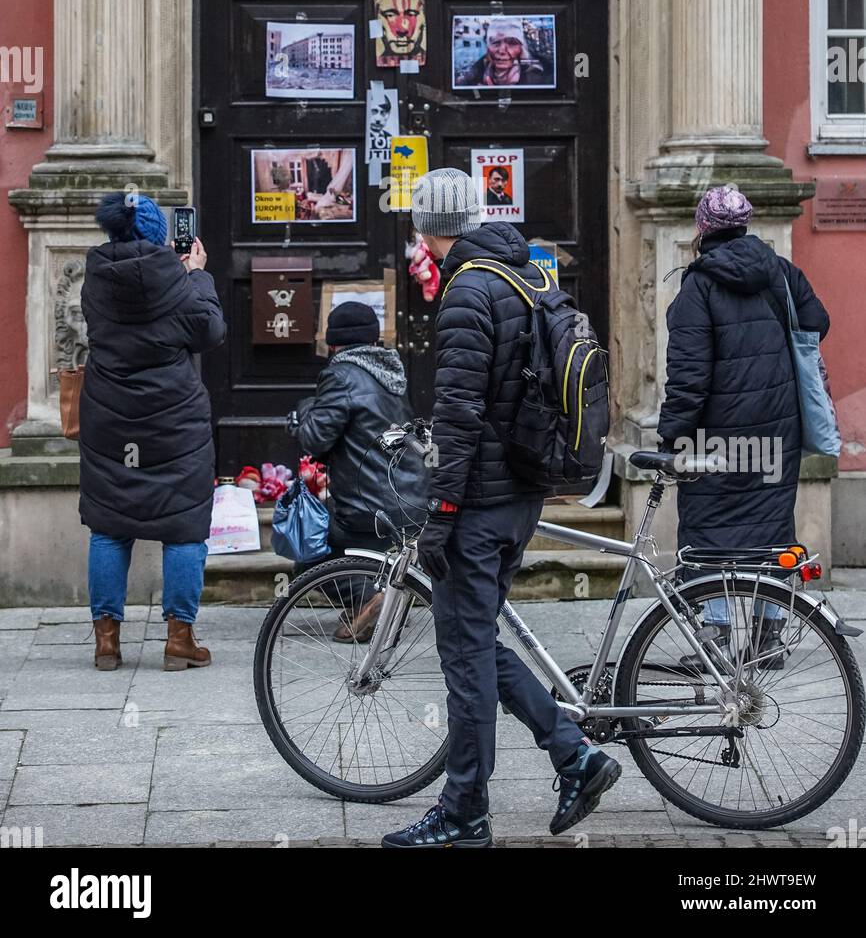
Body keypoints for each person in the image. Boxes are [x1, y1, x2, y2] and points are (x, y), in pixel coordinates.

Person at [381, 168, 620, 849]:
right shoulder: (524, 272)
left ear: (427, 227)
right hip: (521, 491)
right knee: (477, 637)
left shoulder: (467, 291)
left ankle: (465, 812)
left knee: (463, 657)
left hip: (479, 501)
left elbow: (457, 415)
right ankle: (575, 757)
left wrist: (441, 511)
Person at [657, 185, 830, 669]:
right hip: (777, 430)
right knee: (773, 528)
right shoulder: (780, 271)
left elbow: (689, 376)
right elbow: (817, 322)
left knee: (708, 532)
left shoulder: (698, 286)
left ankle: (713, 636)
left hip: (717, 437)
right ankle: (770, 635)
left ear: (702, 228)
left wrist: (671, 436)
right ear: (746, 225)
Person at [79, 192, 226, 672]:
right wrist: (197, 274)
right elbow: (209, 331)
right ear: (159, 233)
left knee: (109, 526)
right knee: (183, 529)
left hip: (109, 420)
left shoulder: (95, 280)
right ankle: (179, 639)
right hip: (173, 422)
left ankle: (106, 642)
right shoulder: (179, 281)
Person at [296, 302, 427, 642]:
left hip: (367, 503)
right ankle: (373, 604)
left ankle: (370, 600)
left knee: (308, 550)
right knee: (351, 550)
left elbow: (314, 437)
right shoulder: (391, 370)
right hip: (407, 495)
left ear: (335, 343)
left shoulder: (340, 374)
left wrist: (302, 411)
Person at [456, 19, 547, 88]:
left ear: (521, 48)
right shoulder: (476, 72)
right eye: (495, 42)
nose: (501, 51)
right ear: (488, 47)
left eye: (512, 43)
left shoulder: (541, 77)